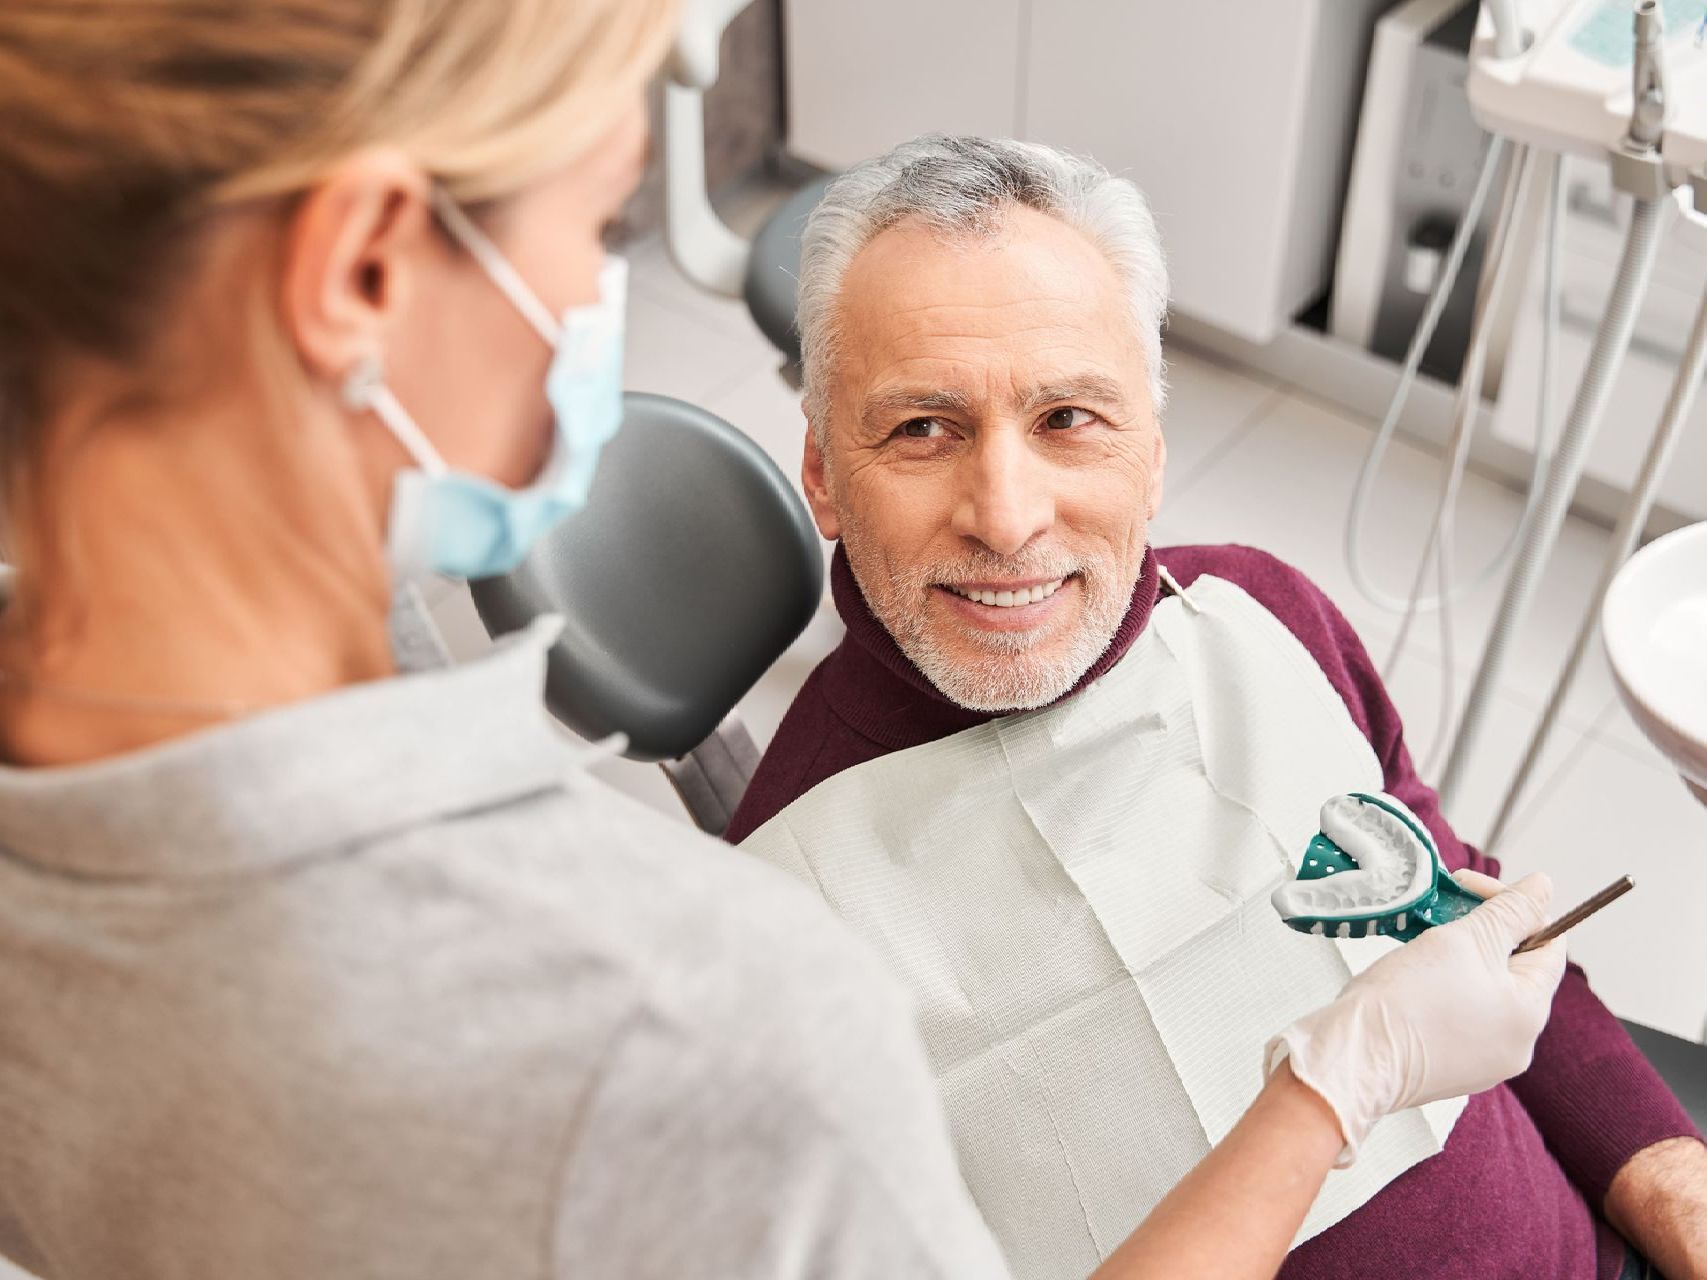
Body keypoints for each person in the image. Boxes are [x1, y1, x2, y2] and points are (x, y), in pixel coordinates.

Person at [0, 8, 1564, 1278]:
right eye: (592, 222)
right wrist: (1326, 1089)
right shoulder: (702, 1009)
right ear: (358, 274)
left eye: (1072, 416)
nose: (1010, 517)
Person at [728, 135, 1707, 1280]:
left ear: (1151, 449)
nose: (1005, 516)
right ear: (824, 476)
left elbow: (1467, 903)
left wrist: (1667, 1174)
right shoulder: (772, 924)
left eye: (1068, 420)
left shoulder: (1262, 611)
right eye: (922, 429)